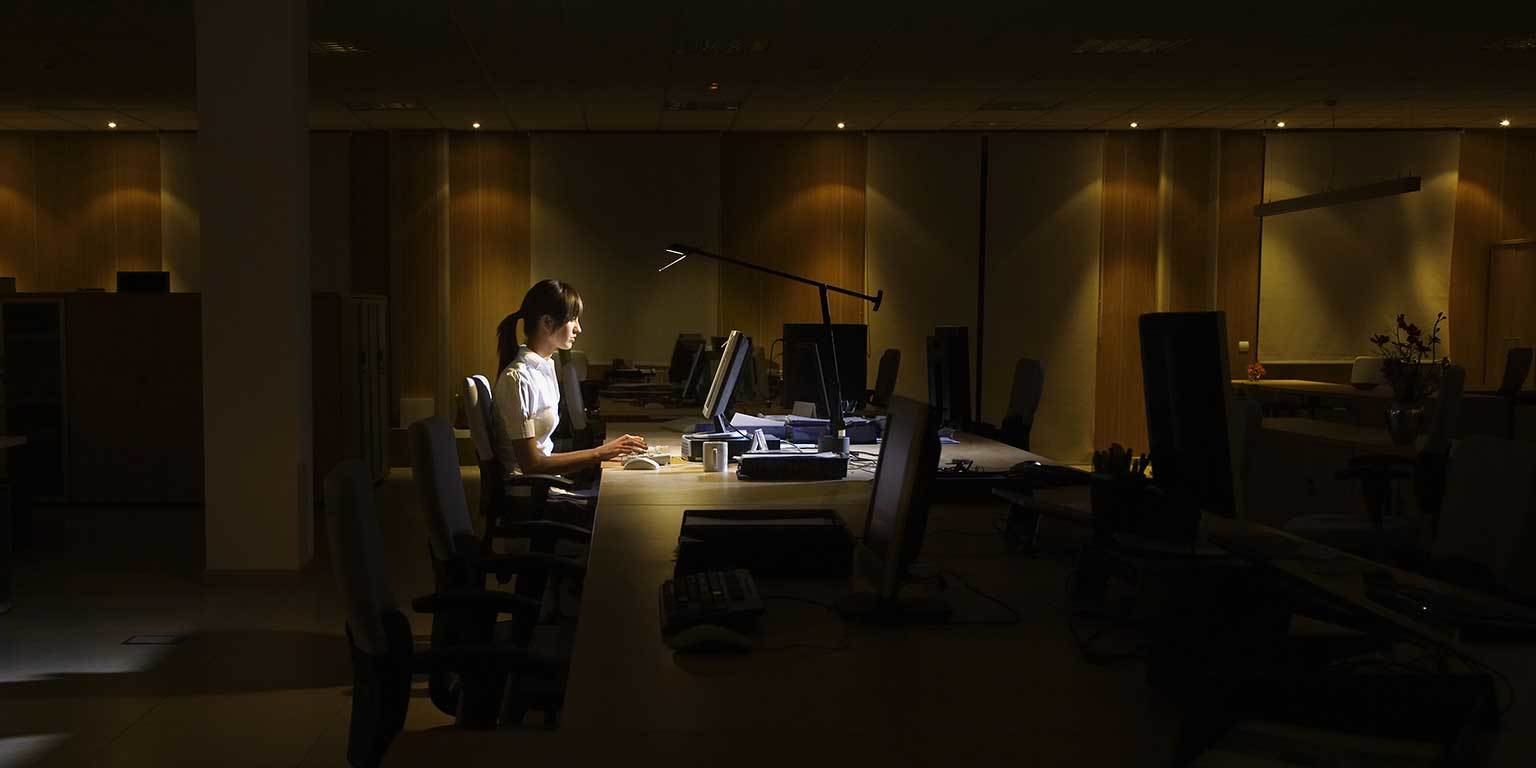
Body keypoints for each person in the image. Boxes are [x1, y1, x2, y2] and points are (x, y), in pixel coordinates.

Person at [492, 279, 647, 479]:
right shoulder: (519, 378)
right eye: (572, 319)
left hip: (544, 485)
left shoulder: (544, 367)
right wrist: (602, 452)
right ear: (547, 322)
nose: (578, 329)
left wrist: (604, 453)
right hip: (532, 494)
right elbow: (531, 464)